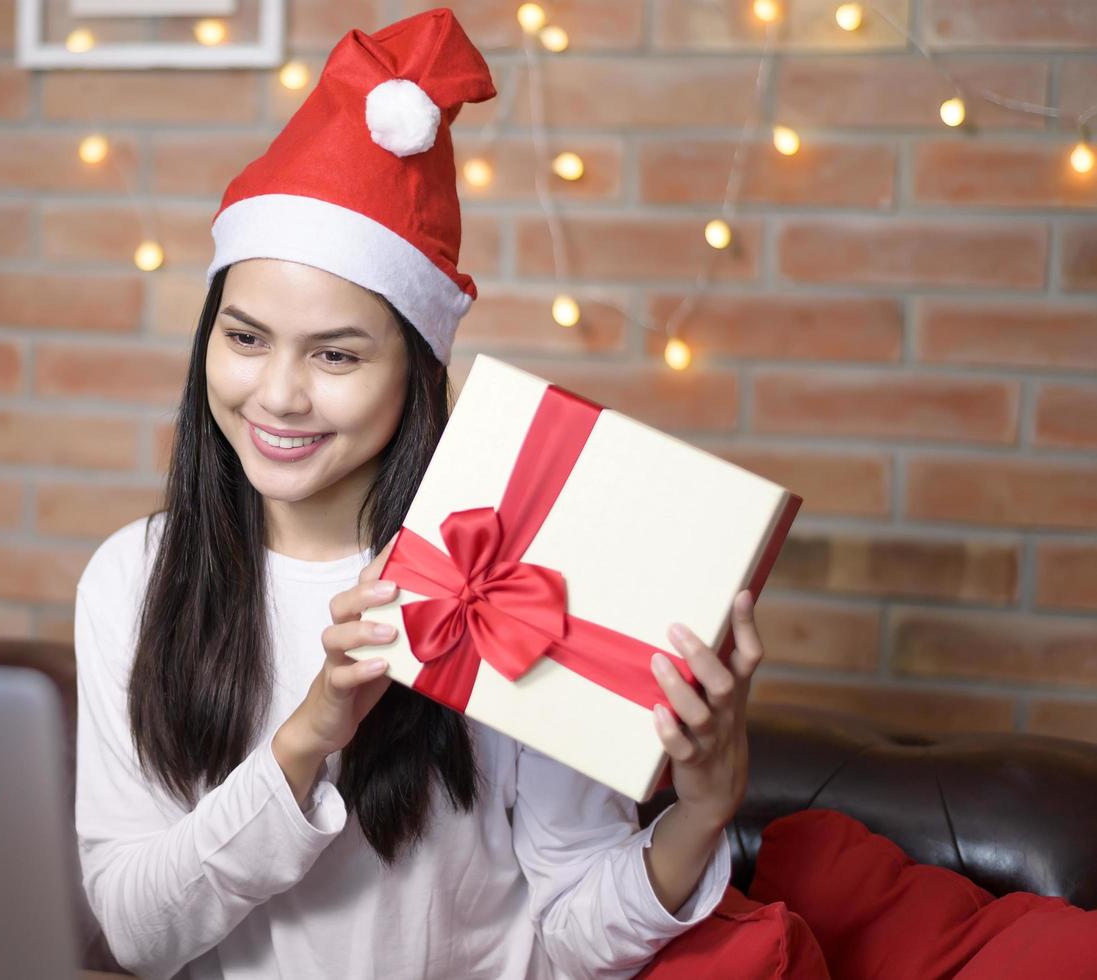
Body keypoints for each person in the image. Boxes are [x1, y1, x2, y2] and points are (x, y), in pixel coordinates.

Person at [74, 9, 759, 978]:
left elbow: (564, 934)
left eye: (337, 353)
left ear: (415, 369)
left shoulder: (504, 578)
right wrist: (311, 733)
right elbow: (138, 934)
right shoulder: (131, 581)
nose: (278, 393)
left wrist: (700, 808)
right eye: (246, 336)